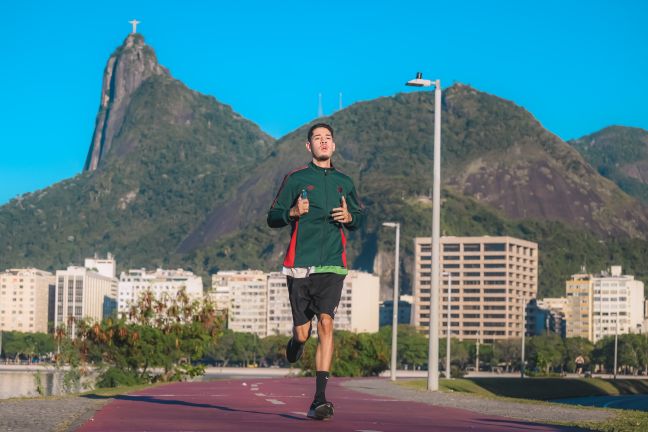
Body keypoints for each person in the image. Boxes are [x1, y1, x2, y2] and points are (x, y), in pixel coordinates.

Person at [267, 123, 365, 420]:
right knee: (303, 332)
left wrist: (349, 217)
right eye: (318, 139)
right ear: (308, 146)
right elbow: (273, 217)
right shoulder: (296, 179)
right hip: (299, 266)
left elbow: (359, 218)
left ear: (334, 146)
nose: (324, 142)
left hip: (333, 265)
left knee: (326, 323)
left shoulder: (344, 183)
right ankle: (297, 342)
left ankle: (320, 399)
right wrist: (292, 213)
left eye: (328, 138)